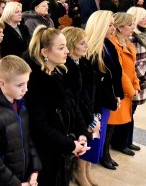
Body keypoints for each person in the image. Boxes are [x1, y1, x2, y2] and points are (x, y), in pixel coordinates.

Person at [24, 25, 90, 186]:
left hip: (61, 144)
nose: (67, 51)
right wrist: (70, 144)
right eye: (61, 48)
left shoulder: (59, 71)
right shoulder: (33, 81)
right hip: (45, 150)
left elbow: (72, 106)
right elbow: (40, 125)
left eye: (66, 46)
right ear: (45, 52)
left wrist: (81, 133)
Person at [0, 55, 41, 186]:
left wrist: (34, 170)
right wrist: (16, 184)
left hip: (23, 175)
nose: (26, 89)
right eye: (20, 85)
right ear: (2, 83)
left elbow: (28, 138)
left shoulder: (20, 103)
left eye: (26, 83)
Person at [62, 26, 101, 186]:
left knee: (90, 141)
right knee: (81, 142)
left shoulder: (83, 61)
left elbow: (91, 89)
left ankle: (85, 170)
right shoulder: (67, 66)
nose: (87, 46)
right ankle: (78, 172)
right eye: (82, 43)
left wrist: (95, 112)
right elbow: (74, 98)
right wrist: (89, 117)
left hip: (88, 109)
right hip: (78, 113)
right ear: (71, 45)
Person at [85, 10, 124, 170]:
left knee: (99, 137)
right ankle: (82, 171)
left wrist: (117, 94)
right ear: (100, 26)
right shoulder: (92, 50)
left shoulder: (108, 44)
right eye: (110, 25)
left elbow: (116, 73)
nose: (113, 28)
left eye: (113, 25)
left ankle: (88, 168)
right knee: (92, 138)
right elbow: (94, 82)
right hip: (96, 101)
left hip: (107, 99)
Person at [108, 12, 140, 156]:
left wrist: (137, 85)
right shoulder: (114, 43)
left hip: (130, 86)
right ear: (120, 27)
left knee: (128, 117)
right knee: (116, 121)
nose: (133, 27)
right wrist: (131, 90)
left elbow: (132, 68)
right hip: (122, 88)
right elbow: (120, 71)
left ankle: (125, 142)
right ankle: (118, 144)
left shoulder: (127, 42)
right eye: (130, 25)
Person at [127, 7, 146, 150]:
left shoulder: (144, 33)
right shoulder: (132, 36)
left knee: (132, 111)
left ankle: (127, 140)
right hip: (137, 78)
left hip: (145, 73)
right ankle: (124, 142)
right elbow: (135, 63)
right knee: (129, 111)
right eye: (143, 17)